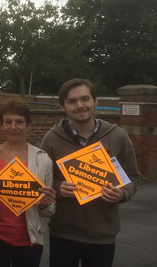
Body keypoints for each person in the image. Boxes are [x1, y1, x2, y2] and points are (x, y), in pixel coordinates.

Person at [40, 78, 140, 267]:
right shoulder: (51, 139)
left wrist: (122, 193)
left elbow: (133, 177)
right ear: (63, 106)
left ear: (95, 101)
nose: (79, 105)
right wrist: (59, 189)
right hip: (63, 233)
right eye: (71, 101)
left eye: (85, 99)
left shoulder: (118, 136)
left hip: (102, 234)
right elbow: (41, 181)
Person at [0, 98, 56, 267]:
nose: (13, 127)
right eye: (8, 122)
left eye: (19, 122)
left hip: (30, 241)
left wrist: (46, 204)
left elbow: (50, 210)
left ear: (28, 125)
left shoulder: (42, 160)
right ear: (1, 125)